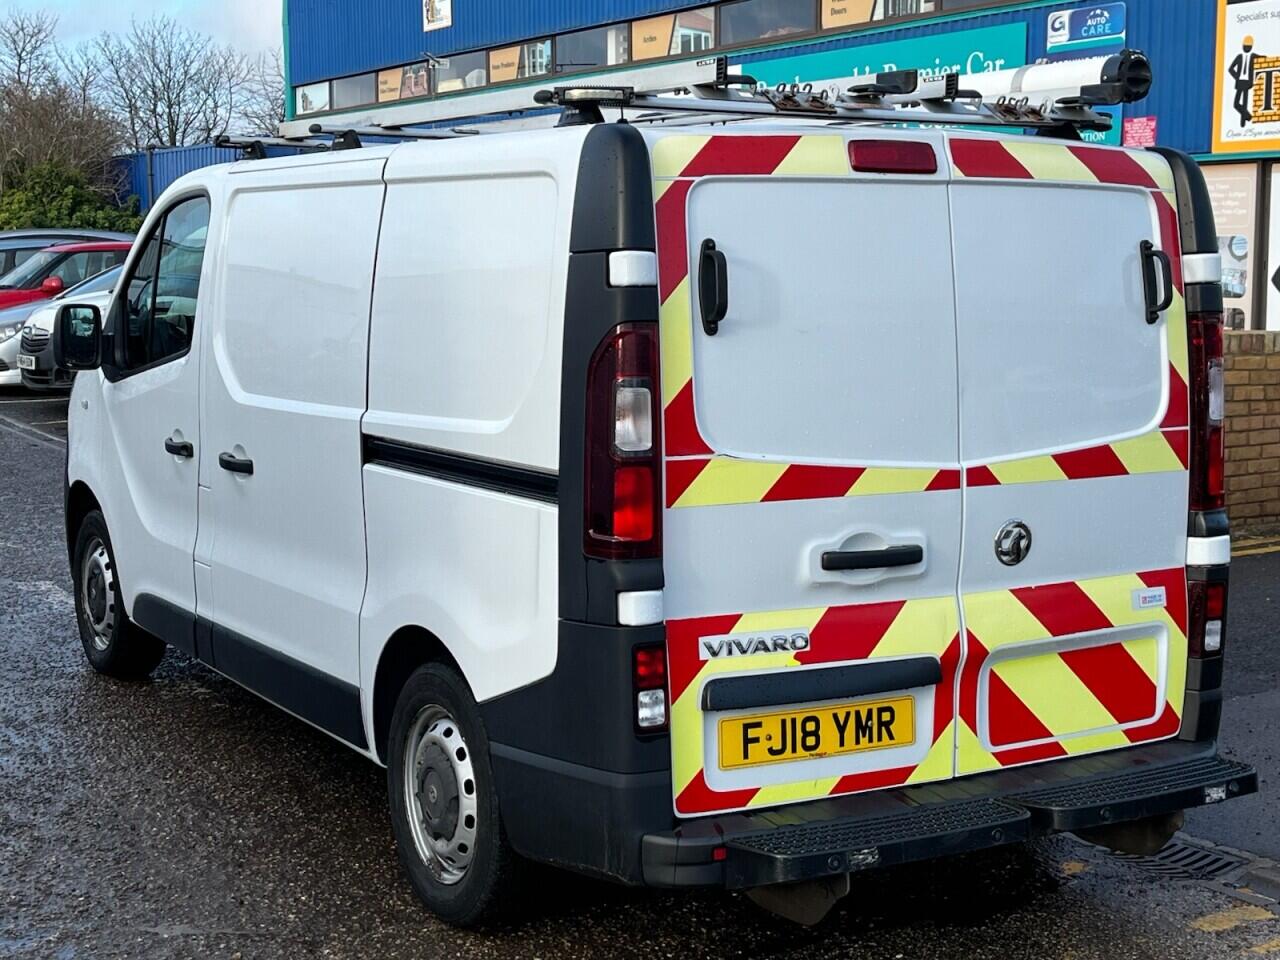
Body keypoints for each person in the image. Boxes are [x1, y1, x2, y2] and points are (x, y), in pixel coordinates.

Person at [1230, 36, 1259, 128]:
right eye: (1245, 46)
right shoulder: (1239, 57)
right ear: (1243, 46)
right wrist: (1237, 77)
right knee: (1236, 103)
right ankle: (1248, 117)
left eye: (1248, 46)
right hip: (1240, 82)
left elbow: (1263, 58)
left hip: (1248, 82)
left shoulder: (1253, 56)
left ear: (1251, 47)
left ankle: (1243, 123)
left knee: (1245, 102)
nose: (1246, 48)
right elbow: (1230, 69)